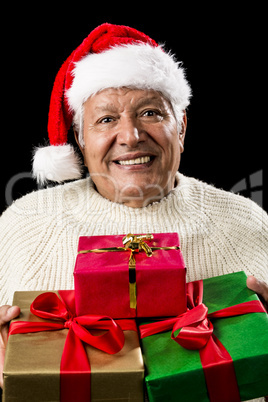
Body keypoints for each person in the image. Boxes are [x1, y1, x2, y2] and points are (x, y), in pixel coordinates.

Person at [0, 23, 267, 398]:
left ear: (182, 126)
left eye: (151, 113)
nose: (130, 136)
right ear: (80, 137)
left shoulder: (247, 221)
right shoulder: (22, 224)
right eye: (106, 119)